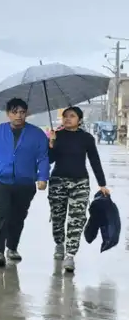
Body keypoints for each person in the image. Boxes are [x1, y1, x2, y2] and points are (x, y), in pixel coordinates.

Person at [0, 98, 49, 266]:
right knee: (0, 214)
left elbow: (43, 157)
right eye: (14, 112)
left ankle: (12, 247)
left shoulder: (37, 134)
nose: (18, 116)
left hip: (25, 181)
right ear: (8, 114)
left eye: (22, 112)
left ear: (26, 113)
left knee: (18, 216)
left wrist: (43, 177)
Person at [48, 106, 109, 273]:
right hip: (58, 181)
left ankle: (70, 255)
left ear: (79, 120)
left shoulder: (87, 138)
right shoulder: (57, 135)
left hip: (80, 182)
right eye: (65, 116)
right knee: (58, 217)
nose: (67, 119)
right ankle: (59, 243)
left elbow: (95, 160)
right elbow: (49, 160)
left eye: (72, 116)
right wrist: (51, 143)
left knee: (77, 218)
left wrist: (102, 184)